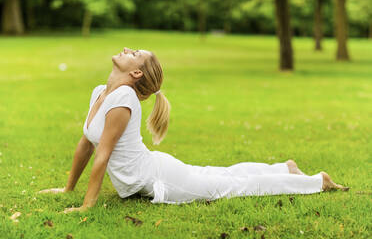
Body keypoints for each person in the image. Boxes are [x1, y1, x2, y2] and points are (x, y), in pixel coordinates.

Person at [39, 47, 349, 213]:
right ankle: (285, 168)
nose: (126, 49)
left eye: (135, 53)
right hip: (157, 168)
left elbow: (103, 154)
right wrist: (68, 189)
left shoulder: (122, 98)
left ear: (135, 73)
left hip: (157, 177)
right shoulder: (100, 93)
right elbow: (86, 144)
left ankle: (314, 182)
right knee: (222, 174)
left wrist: (86, 205)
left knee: (231, 186)